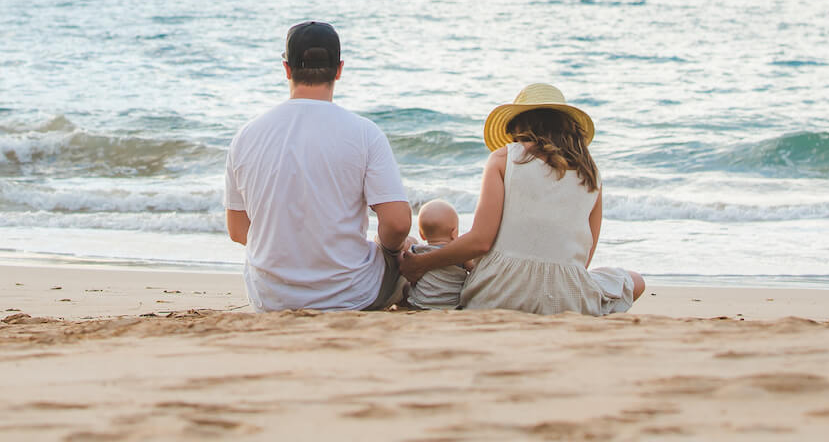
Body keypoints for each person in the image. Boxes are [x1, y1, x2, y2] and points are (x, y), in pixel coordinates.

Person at [398, 82, 644, 315]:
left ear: (518, 125)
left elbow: (480, 242)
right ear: (567, 126)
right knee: (635, 281)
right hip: (567, 300)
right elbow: (584, 257)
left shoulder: (504, 158)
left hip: (497, 295)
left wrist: (424, 263)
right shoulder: (591, 172)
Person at [223, 21, 412, 310]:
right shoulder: (364, 133)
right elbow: (398, 222)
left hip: (270, 299)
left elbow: (238, 231)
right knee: (406, 243)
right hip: (352, 296)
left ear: (286, 69)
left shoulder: (245, 136)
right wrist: (388, 249)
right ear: (339, 69)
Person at [401, 198, 473, 311]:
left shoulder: (416, 251)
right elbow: (474, 269)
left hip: (420, 304)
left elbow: (408, 272)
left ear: (422, 234)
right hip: (452, 306)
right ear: (455, 233)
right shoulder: (460, 254)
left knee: (404, 286)